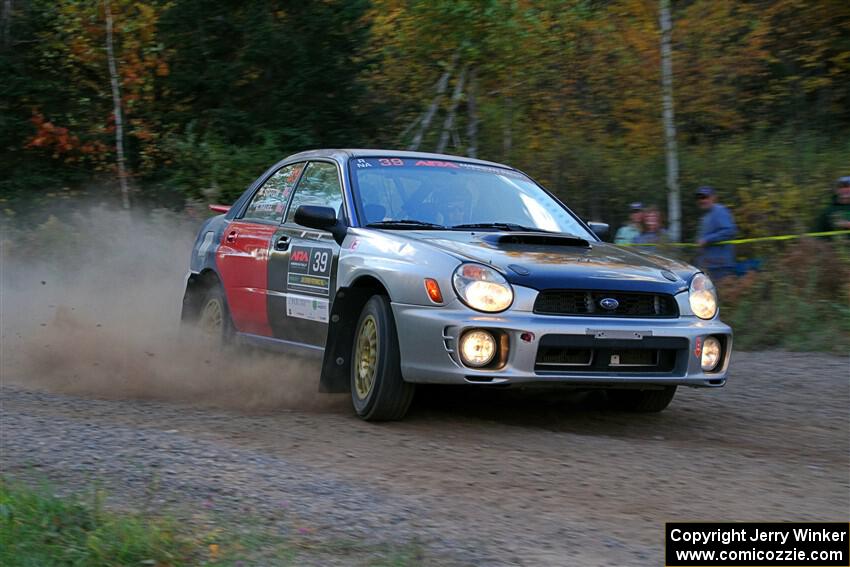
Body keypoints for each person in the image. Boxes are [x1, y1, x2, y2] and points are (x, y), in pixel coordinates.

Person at [695, 186, 737, 279]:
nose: (702, 200)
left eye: (705, 197)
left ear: (713, 198)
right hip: (709, 265)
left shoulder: (719, 210)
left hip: (720, 267)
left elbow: (730, 231)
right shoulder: (705, 216)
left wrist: (707, 239)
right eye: (700, 198)